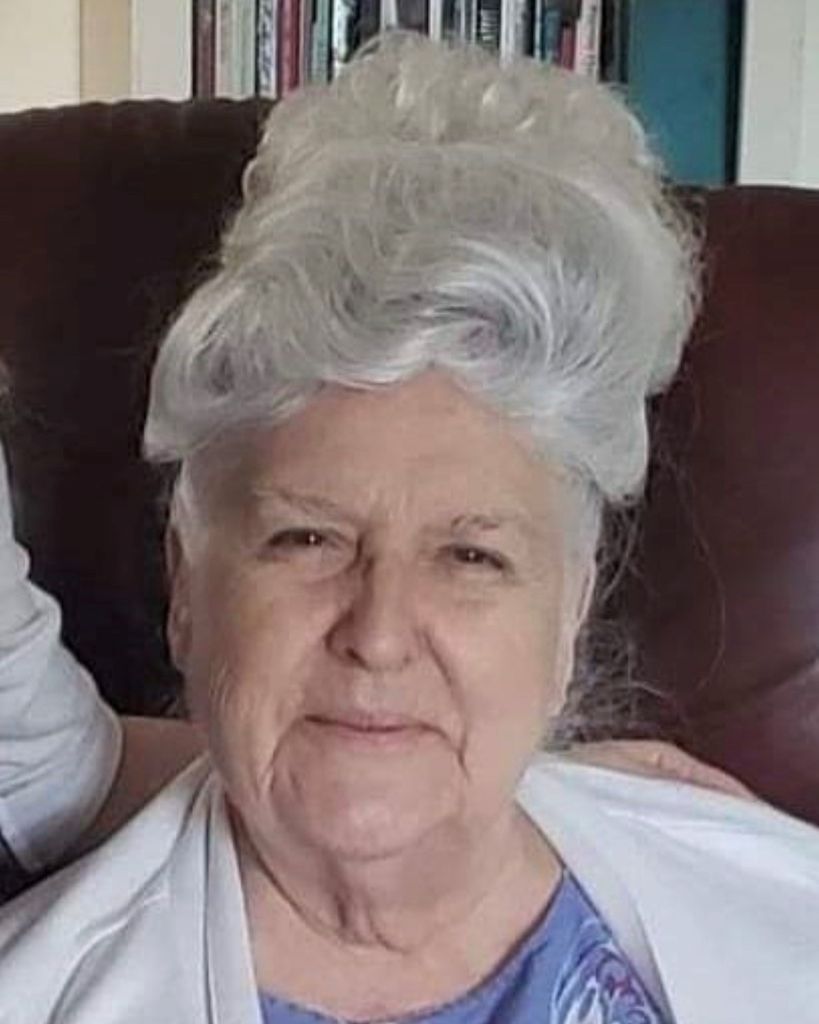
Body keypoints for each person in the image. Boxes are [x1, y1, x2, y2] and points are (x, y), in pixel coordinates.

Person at [1, 29, 817, 1023]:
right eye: (307, 539)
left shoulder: (778, 915)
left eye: (471, 555)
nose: (379, 633)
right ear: (186, 587)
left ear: (570, 610)